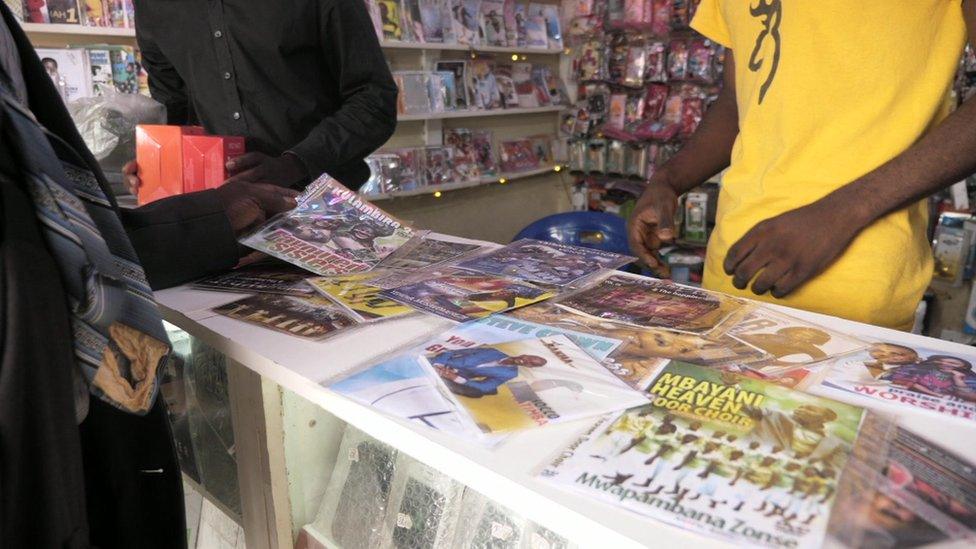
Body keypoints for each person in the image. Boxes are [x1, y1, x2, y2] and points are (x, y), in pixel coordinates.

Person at [0, 4, 298, 547]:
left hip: (286, 209)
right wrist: (172, 174)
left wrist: (282, 168)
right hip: (43, 412)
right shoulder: (158, 12)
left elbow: (371, 100)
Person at [628, 1, 976, 330]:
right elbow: (739, 101)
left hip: (854, 285)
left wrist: (842, 213)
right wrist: (668, 180)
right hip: (733, 269)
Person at [126, 0, 397, 192]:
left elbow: (374, 99)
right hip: (220, 211)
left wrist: (295, 163)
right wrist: (156, 162)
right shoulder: (152, 6)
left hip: (324, 206)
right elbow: (174, 106)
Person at [429, 347, 547, 397]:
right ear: (525, 354)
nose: (524, 361)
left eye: (531, 363)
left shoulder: (510, 374)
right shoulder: (494, 351)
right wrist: (438, 364)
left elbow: (486, 386)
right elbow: (455, 350)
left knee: (478, 392)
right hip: (441, 363)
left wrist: (457, 379)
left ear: (529, 367)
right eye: (529, 357)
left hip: (456, 377)